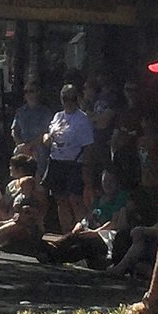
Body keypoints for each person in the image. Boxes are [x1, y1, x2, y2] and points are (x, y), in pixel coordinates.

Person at [46, 163, 138, 267]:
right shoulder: (99, 199)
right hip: (91, 231)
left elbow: (114, 223)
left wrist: (95, 232)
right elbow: (89, 216)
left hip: (107, 237)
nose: (107, 184)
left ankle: (54, 255)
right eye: (105, 181)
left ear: (118, 182)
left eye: (111, 181)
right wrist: (80, 225)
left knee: (85, 245)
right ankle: (51, 250)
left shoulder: (120, 198)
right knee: (73, 236)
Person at [0, 154, 54, 259]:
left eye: (12, 166)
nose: (9, 168)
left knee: (18, 222)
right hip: (10, 216)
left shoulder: (35, 187)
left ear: (20, 169)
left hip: (27, 223)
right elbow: (4, 205)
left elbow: (42, 208)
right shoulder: (11, 185)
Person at [43, 82, 97, 229]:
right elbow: (48, 133)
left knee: (75, 199)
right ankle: (66, 232)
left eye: (72, 98)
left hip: (74, 163)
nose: (68, 102)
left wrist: (86, 170)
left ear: (77, 99)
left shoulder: (82, 119)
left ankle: (82, 232)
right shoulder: (58, 116)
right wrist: (46, 138)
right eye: (65, 98)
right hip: (56, 161)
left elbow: (88, 146)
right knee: (60, 199)